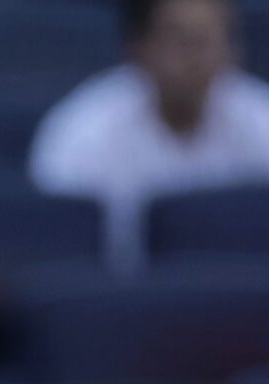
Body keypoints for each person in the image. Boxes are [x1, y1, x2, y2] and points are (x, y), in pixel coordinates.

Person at [31, 0, 269, 269]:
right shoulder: (81, 132)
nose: (197, 57)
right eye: (181, 40)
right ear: (138, 47)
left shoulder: (262, 119)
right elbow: (69, 255)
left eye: (210, 40)